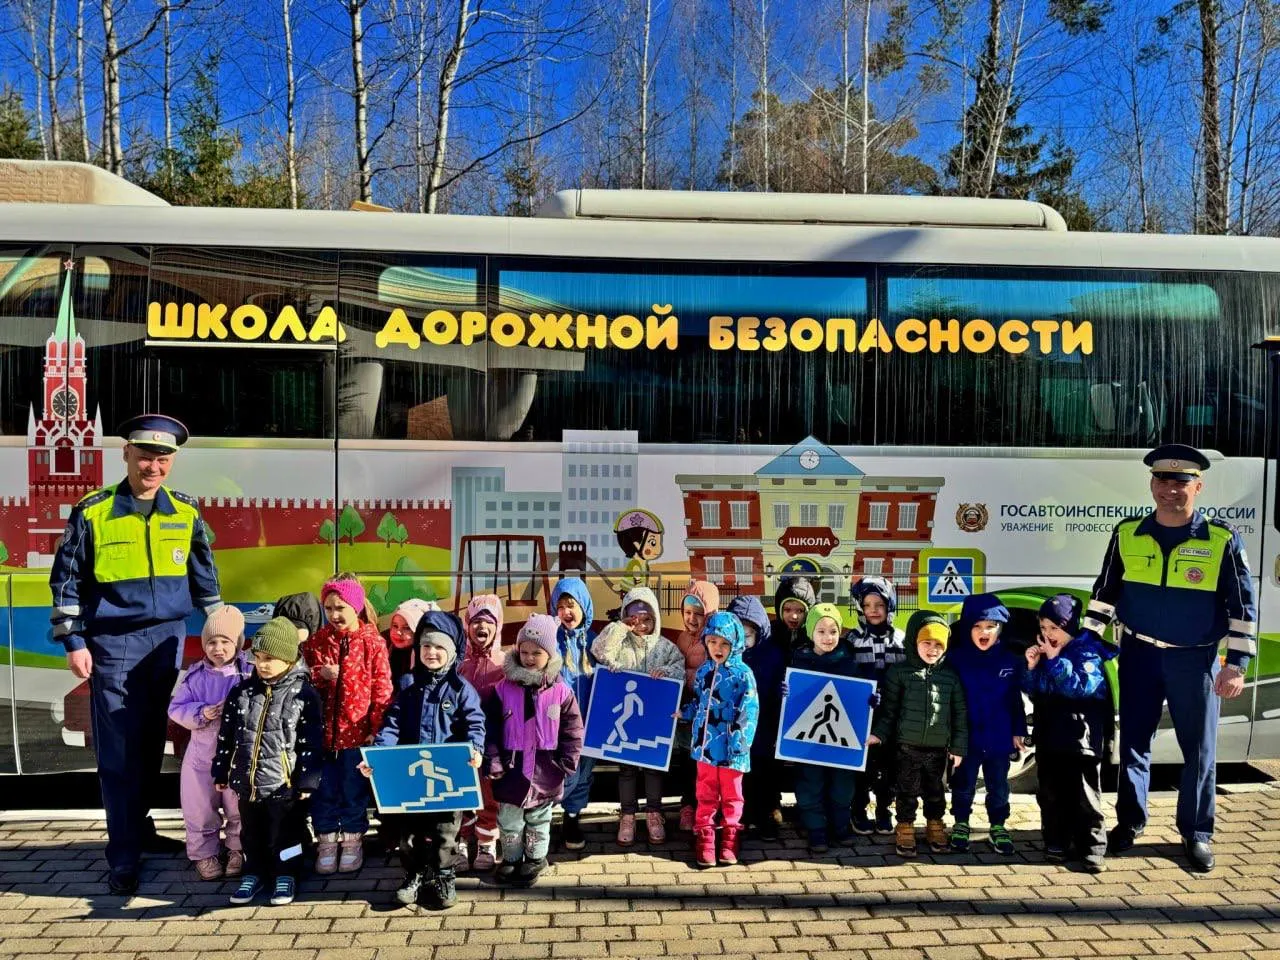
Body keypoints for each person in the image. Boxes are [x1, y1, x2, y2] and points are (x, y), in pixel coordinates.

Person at [49, 413, 223, 895]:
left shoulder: (186, 511)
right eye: (145, 455)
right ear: (125, 453)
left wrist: (219, 630)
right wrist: (75, 642)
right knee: (120, 752)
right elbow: (66, 582)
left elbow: (204, 577)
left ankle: (140, 830)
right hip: (114, 645)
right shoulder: (93, 511)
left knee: (151, 744)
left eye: (163, 458)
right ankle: (123, 854)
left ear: (173, 462)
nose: (153, 466)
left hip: (167, 639)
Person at [1086, 444, 1256, 874]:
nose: (1170, 490)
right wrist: (1086, 645)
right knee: (1133, 744)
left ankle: (1196, 833)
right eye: (1163, 481)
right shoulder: (1127, 533)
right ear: (1152, 485)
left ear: (1197, 487)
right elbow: (1105, 594)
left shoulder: (1221, 540)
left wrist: (1236, 665)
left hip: (1195, 662)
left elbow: (1242, 607)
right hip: (1139, 655)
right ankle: (1129, 824)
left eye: (1180, 483)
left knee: (1199, 750)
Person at [364, 610, 485, 910]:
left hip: (448, 775)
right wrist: (380, 755)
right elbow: (391, 724)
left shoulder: (461, 690)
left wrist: (475, 749)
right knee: (411, 833)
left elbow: (475, 724)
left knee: (446, 831)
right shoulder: (407, 685)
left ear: (452, 652)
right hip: (412, 778)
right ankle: (414, 873)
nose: (431, 652)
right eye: (426, 647)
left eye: (439, 648)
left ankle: (443, 874)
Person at [211, 617, 324, 907]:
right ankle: (255, 871)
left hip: (283, 785)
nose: (262, 664)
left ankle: (287, 873)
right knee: (251, 833)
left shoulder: (304, 694)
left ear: (289, 658)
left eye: (270, 658)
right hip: (248, 781)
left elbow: (310, 740)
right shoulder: (242, 693)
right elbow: (227, 736)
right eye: (257, 658)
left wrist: (307, 779)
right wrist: (221, 770)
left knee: (285, 833)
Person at [303, 576, 393, 875]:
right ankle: (327, 841)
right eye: (328, 608)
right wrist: (321, 676)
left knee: (353, 791)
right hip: (323, 736)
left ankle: (353, 841)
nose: (334, 614)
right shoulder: (318, 642)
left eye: (340, 607)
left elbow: (382, 689)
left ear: (355, 607)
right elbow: (302, 684)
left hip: (357, 736)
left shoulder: (373, 643)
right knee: (323, 791)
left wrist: (376, 729)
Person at [484, 615, 584, 886]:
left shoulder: (561, 692)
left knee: (540, 818)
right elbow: (490, 728)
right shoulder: (503, 689)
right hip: (511, 766)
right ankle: (512, 859)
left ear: (549, 654)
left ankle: (536, 858)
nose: (529, 658)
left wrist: (567, 762)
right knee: (509, 817)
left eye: (536, 653)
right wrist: (492, 759)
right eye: (524, 651)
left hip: (545, 767)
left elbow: (573, 730)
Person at [1024, 594, 1117, 873]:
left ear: (1070, 626)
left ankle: (1092, 848)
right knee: (1051, 794)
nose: (1048, 635)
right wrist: (1031, 668)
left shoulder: (1086, 652)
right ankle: (1056, 842)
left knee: (1084, 796)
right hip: (1050, 737)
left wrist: (1054, 661)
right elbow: (1036, 690)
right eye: (1043, 629)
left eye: (1054, 628)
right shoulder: (1047, 654)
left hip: (1080, 740)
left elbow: (1080, 688)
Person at [591, 585, 684, 846]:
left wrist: (665, 672)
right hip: (630, 724)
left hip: (653, 720)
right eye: (634, 620)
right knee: (627, 769)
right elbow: (600, 652)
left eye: (646, 619)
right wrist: (621, 628)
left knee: (655, 769)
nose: (641, 625)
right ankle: (628, 815)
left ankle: (654, 812)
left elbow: (680, 668)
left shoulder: (665, 647)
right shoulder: (618, 644)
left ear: (655, 619)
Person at [869, 611, 968, 858]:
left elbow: (959, 714)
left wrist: (958, 747)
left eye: (938, 645)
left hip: (938, 749)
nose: (932, 649)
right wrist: (879, 735)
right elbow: (889, 711)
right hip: (906, 748)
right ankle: (905, 827)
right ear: (914, 641)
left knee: (936, 792)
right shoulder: (899, 673)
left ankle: (935, 826)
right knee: (907, 791)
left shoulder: (951, 677)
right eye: (927, 643)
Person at [168, 605, 252, 880]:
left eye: (225, 642)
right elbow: (176, 709)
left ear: (237, 644)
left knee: (238, 806)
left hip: (237, 755)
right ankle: (205, 854)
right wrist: (201, 713)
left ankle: (237, 850)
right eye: (211, 642)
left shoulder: (247, 674)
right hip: (202, 754)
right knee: (199, 807)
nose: (218, 649)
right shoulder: (195, 676)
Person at [946, 594, 1026, 855]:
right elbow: (949, 701)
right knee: (964, 784)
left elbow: (1016, 700)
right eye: (978, 626)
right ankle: (960, 823)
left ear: (1000, 628)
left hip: (999, 737)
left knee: (998, 784)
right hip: (967, 738)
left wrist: (1018, 731)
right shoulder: (956, 661)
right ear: (968, 628)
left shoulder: (1010, 662)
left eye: (991, 626)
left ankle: (998, 825)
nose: (984, 632)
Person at [681, 612, 759, 867]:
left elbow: (749, 710)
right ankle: (705, 837)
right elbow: (701, 703)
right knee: (705, 793)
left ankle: (730, 838)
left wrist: (740, 742)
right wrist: (685, 713)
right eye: (713, 642)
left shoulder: (743, 675)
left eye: (724, 643)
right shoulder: (704, 671)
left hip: (732, 750)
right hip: (705, 748)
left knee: (732, 796)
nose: (718, 648)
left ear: (734, 645)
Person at [789, 603, 860, 852]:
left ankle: (841, 826)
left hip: (840, 737)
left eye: (833, 631)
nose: (827, 637)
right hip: (809, 737)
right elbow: (792, 699)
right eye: (821, 631)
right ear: (811, 633)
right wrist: (786, 693)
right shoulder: (799, 659)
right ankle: (816, 829)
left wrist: (869, 700)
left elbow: (858, 696)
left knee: (842, 783)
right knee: (810, 782)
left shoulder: (849, 661)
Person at [847, 577, 906, 836]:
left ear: (889, 605)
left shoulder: (902, 640)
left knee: (888, 765)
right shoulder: (852, 639)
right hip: (860, 713)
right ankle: (858, 809)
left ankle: (884, 809)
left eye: (879, 604)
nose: (873, 609)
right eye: (867, 604)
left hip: (891, 713)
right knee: (860, 765)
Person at [728, 594, 786, 841]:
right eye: (738, 635)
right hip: (737, 726)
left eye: (748, 636)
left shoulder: (772, 654)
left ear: (758, 632)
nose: (742, 641)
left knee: (767, 771)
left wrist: (782, 692)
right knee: (744, 773)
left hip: (764, 724)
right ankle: (745, 813)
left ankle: (770, 812)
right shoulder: (727, 654)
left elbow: (778, 685)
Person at [457, 595, 506, 872]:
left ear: (497, 626)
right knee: (464, 792)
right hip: (464, 743)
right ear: (467, 626)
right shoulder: (460, 664)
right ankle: (463, 838)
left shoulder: (505, 664)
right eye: (476, 621)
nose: (481, 628)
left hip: (493, 744)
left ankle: (487, 839)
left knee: (489, 794)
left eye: (488, 622)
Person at [551, 577, 598, 850]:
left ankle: (572, 817)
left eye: (572, 605)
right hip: (561, 725)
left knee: (585, 774)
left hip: (591, 722)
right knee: (565, 773)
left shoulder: (594, 642)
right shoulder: (551, 641)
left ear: (584, 606)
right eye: (560, 606)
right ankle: (544, 815)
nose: (567, 612)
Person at [673, 580, 720, 832]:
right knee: (687, 762)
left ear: (709, 613)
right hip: (685, 709)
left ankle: (704, 808)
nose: (691, 618)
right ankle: (687, 807)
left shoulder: (713, 640)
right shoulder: (682, 637)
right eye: (687, 612)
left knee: (704, 764)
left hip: (706, 711)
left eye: (698, 613)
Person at [385, 598, 439, 686]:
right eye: (395, 626)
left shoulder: (422, 657)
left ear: (418, 632)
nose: (398, 632)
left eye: (407, 628)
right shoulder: (389, 649)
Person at [773, 576, 817, 657]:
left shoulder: (814, 635)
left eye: (800, 611)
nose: (794, 616)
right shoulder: (772, 633)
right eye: (787, 610)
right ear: (780, 610)